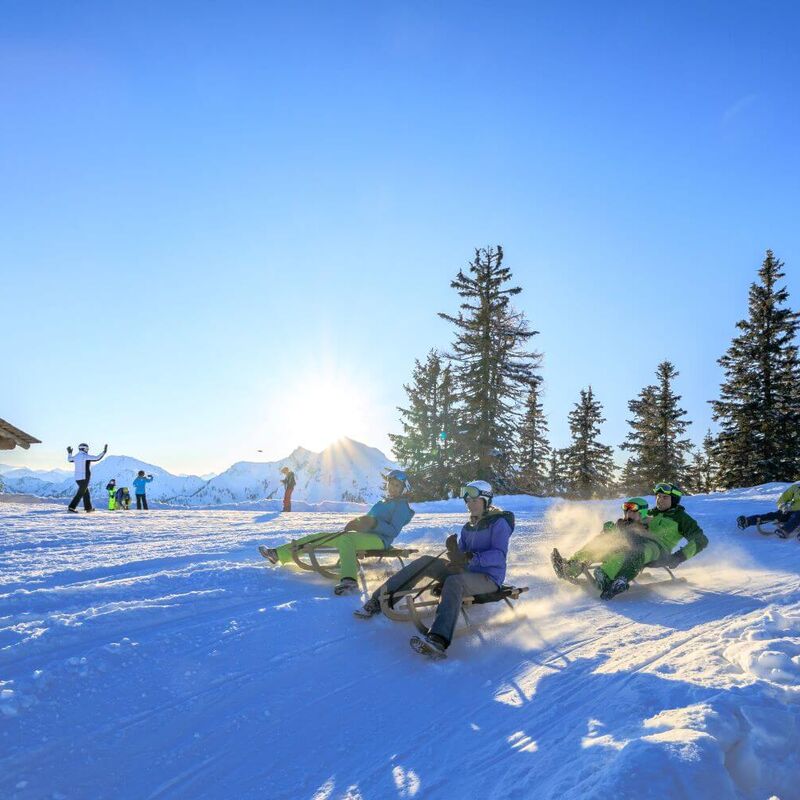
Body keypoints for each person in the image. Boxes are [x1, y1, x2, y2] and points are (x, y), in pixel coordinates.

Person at [354, 480, 514, 660]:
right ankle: (379, 599)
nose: (470, 505)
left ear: (486, 501)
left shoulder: (499, 523)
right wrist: (456, 552)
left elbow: (499, 556)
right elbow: (461, 557)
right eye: (468, 501)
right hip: (466, 572)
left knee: (454, 582)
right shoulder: (468, 526)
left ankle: (438, 639)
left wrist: (471, 557)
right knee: (426, 562)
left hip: (488, 578)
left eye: (474, 501)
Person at [259, 469, 415, 594]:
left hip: (381, 541)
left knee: (346, 540)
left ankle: (350, 581)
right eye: (391, 484)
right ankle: (278, 554)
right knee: (325, 536)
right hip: (367, 536)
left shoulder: (402, 506)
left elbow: (393, 531)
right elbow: (368, 519)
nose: (392, 488)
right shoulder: (382, 502)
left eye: (397, 486)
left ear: (403, 488)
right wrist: (358, 523)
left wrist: (374, 523)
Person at [553, 483, 707, 600]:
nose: (660, 500)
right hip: (637, 541)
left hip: (658, 550)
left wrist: (680, 556)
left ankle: (611, 579)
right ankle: (571, 566)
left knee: (640, 550)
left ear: (674, 499)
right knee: (606, 541)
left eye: (664, 497)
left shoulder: (682, 519)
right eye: (658, 496)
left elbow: (701, 540)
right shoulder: (650, 512)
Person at [67, 442, 107, 513]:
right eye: (87, 449)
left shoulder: (76, 456)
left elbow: (69, 459)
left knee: (86, 492)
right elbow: (97, 458)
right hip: (84, 477)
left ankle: (88, 508)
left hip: (77, 478)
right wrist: (104, 452)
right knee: (80, 493)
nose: (87, 450)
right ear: (84, 449)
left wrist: (69, 453)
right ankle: (71, 507)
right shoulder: (85, 456)